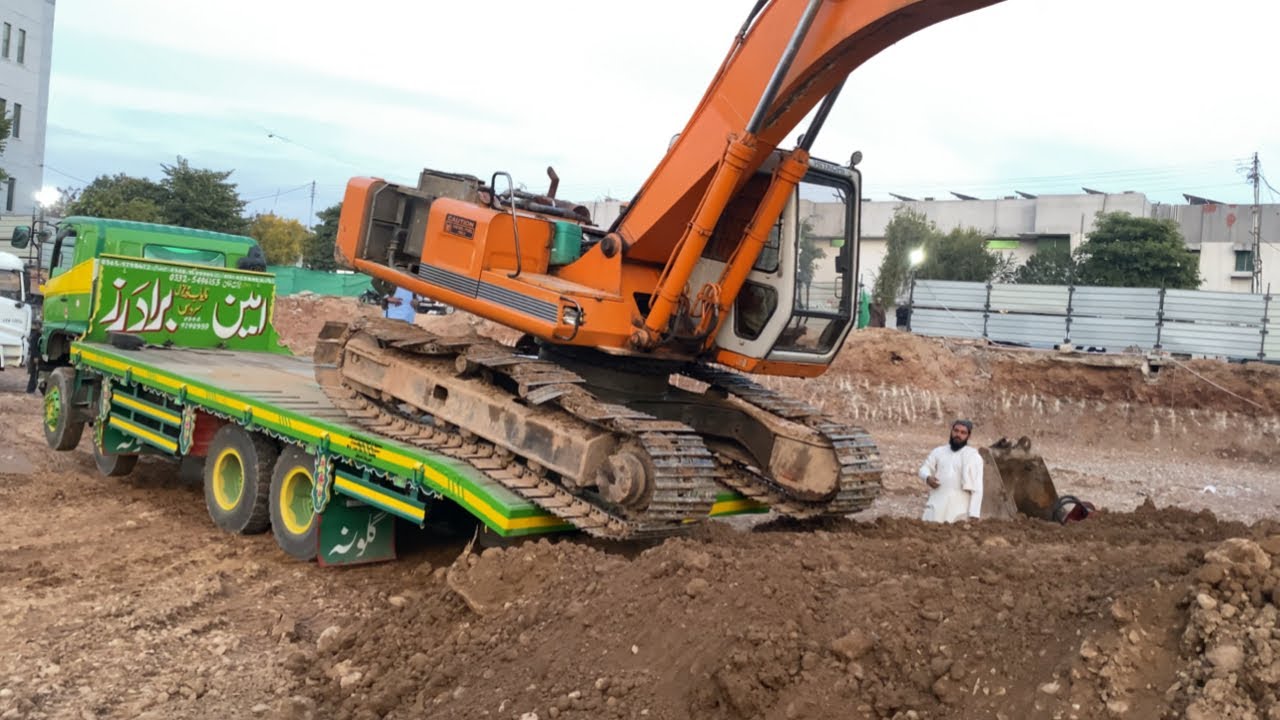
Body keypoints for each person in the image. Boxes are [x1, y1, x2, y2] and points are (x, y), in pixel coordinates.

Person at [919, 419, 984, 523]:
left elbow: (977, 487)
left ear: (968, 436)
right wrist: (927, 477)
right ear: (951, 431)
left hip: (960, 508)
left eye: (963, 433)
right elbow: (924, 468)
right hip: (937, 501)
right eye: (956, 431)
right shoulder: (939, 451)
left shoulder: (973, 456)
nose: (958, 435)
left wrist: (974, 514)